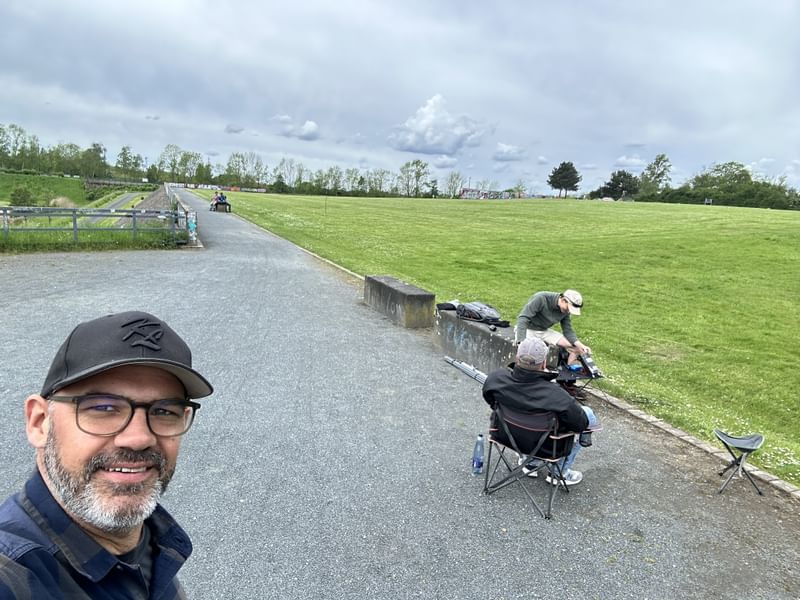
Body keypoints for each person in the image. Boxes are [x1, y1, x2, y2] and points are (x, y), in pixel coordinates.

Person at [0, 311, 213, 599]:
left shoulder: (152, 545)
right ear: (39, 423)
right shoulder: (11, 577)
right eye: (103, 408)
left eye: (164, 411)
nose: (138, 439)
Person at [482, 337, 599, 485]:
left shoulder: (496, 378)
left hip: (505, 435)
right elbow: (579, 425)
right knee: (588, 414)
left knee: (541, 424)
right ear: (543, 363)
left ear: (517, 358)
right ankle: (558, 473)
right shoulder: (557, 396)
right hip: (546, 449)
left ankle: (531, 463)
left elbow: (491, 401)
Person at [515, 289, 591, 365]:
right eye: (568, 308)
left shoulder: (565, 311)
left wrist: (580, 345)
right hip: (528, 329)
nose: (568, 311)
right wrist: (521, 341)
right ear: (563, 300)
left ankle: (570, 366)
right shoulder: (541, 298)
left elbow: (568, 330)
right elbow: (523, 318)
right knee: (527, 352)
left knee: (576, 348)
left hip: (544, 331)